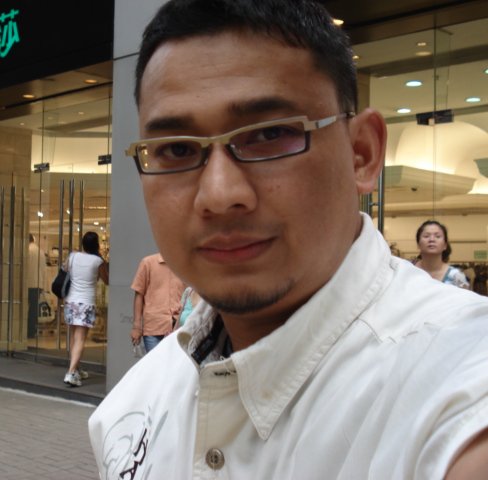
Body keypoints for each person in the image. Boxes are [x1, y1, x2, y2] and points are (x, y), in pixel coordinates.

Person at [89, 0, 488, 478]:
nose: (219, 195)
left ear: (361, 153)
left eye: (269, 134)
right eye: (176, 149)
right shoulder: (130, 409)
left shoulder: (459, 388)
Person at [63, 232, 109, 387]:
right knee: (80, 339)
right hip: (86, 302)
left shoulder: (72, 256)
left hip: (71, 301)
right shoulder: (98, 261)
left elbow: (65, 271)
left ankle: (77, 369)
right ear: (96, 245)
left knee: (73, 337)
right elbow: (107, 280)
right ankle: (71, 373)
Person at [130, 253, 186, 352]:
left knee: (176, 362)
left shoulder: (185, 265)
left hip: (179, 327)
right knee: (155, 362)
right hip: (153, 327)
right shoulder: (148, 262)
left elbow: (191, 296)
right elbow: (139, 294)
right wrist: (136, 327)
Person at [414, 220, 469, 289]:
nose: (432, 239)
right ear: (418, 244)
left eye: (437, 236)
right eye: (426, 236)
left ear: (445, 245)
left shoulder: (456, 276)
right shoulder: (407, 270)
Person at [27, 234, 47, 338]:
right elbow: (43, 270)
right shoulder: (40, 252)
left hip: (27, 283)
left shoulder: (27, 250)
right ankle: (32, 330)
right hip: (37, 283)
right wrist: (42, 284)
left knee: (25, 308)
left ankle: (26, 330)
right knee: (34, 309)